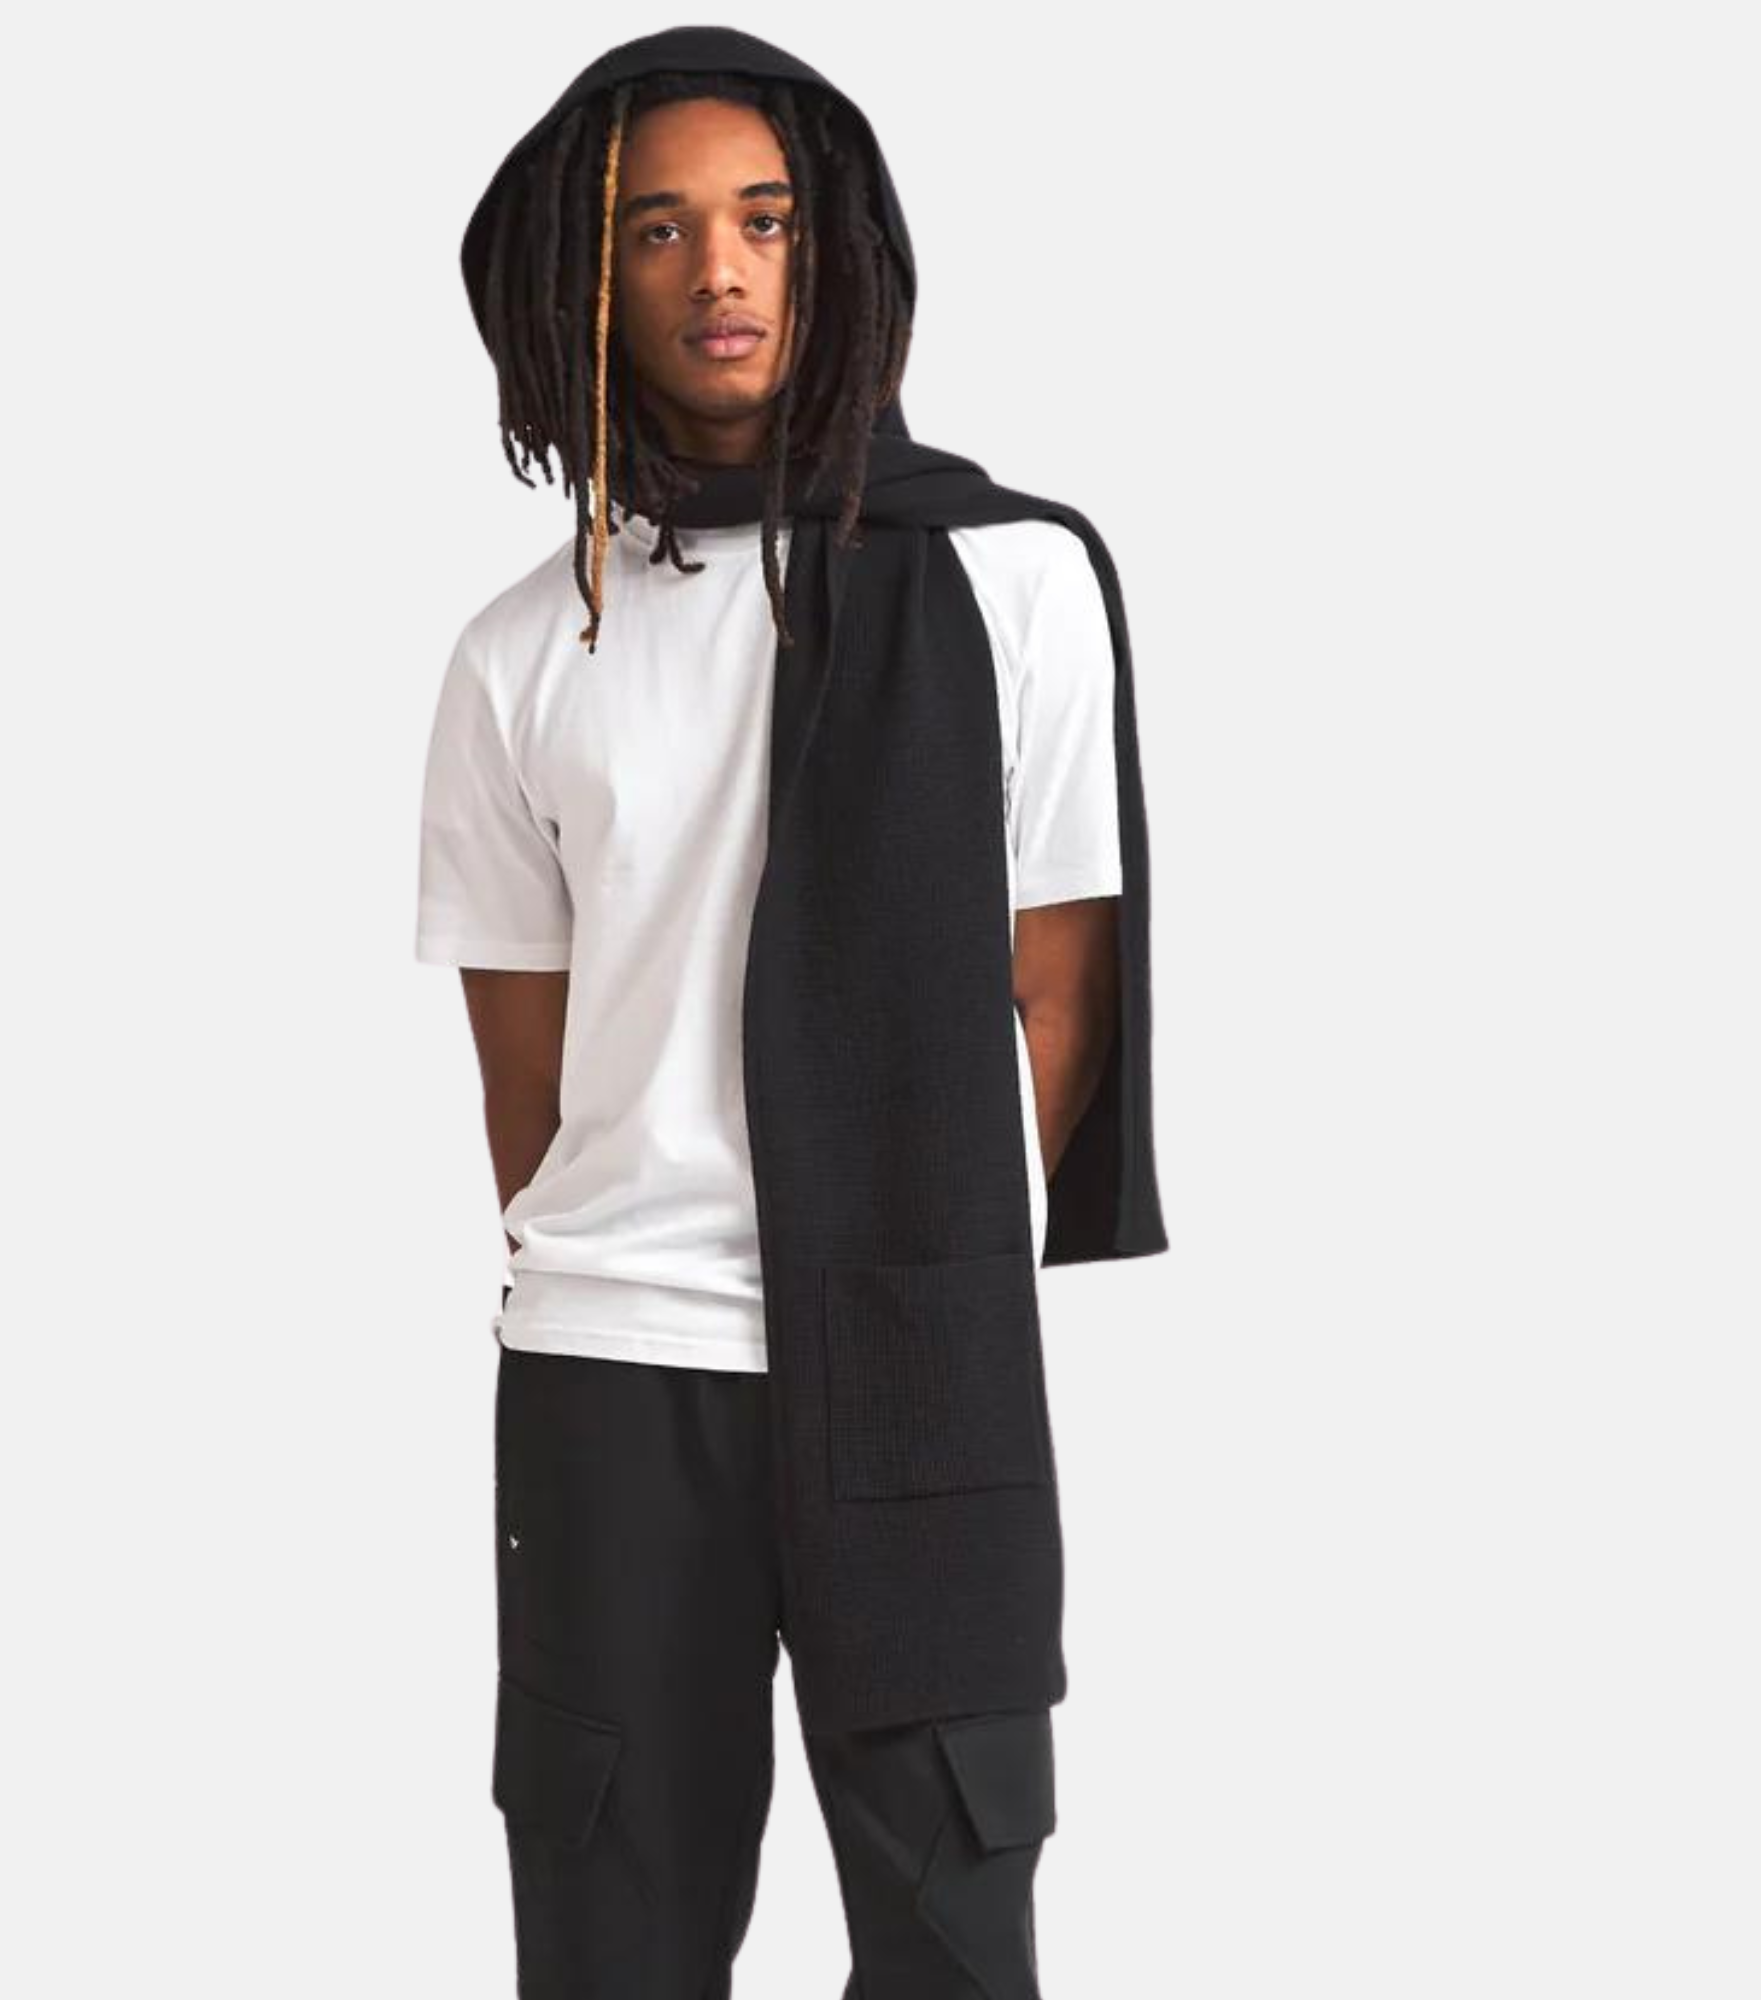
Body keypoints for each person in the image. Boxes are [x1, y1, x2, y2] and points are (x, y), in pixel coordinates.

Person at [417, 26, 1167, 1998]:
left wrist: (903, 1243)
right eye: (657, 230)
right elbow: (526, 1083)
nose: (721, 271)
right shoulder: (519, 654)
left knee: (953, 1933)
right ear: (584, 280)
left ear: (835, 249)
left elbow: (1057, 993)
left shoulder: (1015, 582)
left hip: (921, 1357)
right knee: (613, 1942)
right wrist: (660, 1238)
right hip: (611, 1376)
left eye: (763, 221)